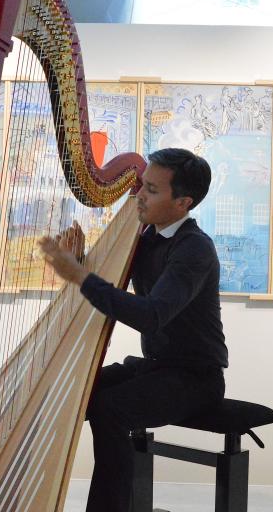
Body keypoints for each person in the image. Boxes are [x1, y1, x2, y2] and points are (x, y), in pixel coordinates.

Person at [38, 147, 227, 512]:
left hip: (196, 377)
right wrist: (80, 262)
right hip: (156, 367)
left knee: (111, 409)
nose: (139, 195)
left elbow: (150, 315)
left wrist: (79, 275)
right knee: (71, 386)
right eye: (141, 186)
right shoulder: (146, 238)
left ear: (183, 202)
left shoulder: (194, 250)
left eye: (152, 190)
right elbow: (109, 287)